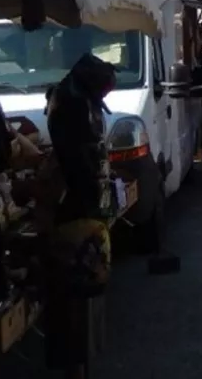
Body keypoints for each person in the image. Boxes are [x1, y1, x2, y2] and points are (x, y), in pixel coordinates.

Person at [43, 54, 119, 378]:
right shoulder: (74, 107)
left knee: (81, 301)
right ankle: (77, 366)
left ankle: (80, 365)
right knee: (77, 302)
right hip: (81, 215)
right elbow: (78, 165)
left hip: (84, 214)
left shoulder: (76, 101)